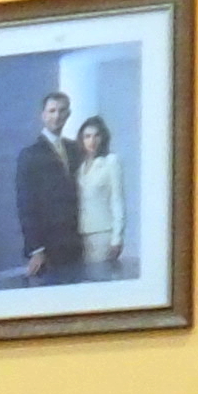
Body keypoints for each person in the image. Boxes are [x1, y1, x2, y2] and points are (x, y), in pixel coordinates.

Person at [10, 86, 82, 284]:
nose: (57, 116)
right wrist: (37, 249)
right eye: (52, 111)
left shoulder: (75, 149)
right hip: (48, 244)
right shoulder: (30, 154)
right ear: (43, 115)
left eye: (62, 111)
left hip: (76, 241)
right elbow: (25, 204)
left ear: (68, 114)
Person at [72, 113, 125, 277]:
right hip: (78, 235)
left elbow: (117, 201)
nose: (92, 141)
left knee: (98, 279)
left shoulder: (110, 162)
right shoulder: (79, 166)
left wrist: (117, 238)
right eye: (87, 136)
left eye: (96, 136)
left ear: (103, 138)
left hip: (102, 233)